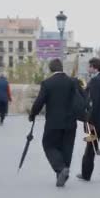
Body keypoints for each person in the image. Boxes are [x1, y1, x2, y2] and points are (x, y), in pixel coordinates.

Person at [29, 59, 81, 187]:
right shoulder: (72, 82)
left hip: (54, 122)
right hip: (71, 122)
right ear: (62, 68)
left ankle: (60, 168)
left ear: (51, 69)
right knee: (67, 148)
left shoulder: (47, 83)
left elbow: (39, 101)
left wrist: (32, 114)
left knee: (48, 145)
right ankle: (63, 174)